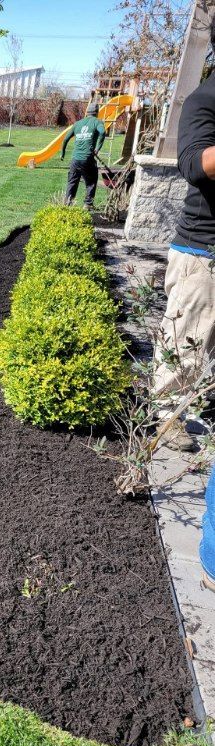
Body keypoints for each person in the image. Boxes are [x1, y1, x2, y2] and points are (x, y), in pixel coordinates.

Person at [153, 15, 215, 457]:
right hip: (203, 250)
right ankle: (166, 420)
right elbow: (191, 164)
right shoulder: (204, 99)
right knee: (186, 344)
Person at [60, 102, 106, 209]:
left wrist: (63, 152)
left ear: (87, 112)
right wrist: (97, 149)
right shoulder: (97, 122)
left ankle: (68, 203)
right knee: (91, 180)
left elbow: (66, 139)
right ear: (97, 112)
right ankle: (88, 204)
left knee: (72, 181)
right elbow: (103, 133)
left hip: (75, 159)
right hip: (87, 159)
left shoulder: (77, 124)